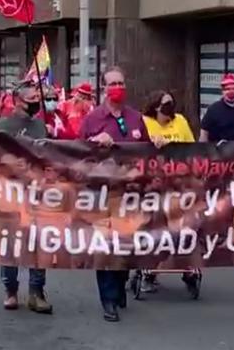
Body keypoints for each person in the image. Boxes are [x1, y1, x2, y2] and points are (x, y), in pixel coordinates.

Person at [79, 66, 150, 323]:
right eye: (113, 83)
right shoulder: (93, 119)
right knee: (106, 247)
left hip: (131, 193)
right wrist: (96, 142)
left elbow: (147, 151)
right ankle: (107, 299)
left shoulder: (136, 118)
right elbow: (79, 156)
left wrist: (161, 146)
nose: (118, 87)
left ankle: (119, 287)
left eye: (121, 82)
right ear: (104, 88)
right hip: (104, 194)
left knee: (126, 246)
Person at [0, 80, 53, 314]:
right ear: (18, 100)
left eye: (38, 97)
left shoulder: (41, 125)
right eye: (32, 98)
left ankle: (37, 292)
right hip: (9, 191)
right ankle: (11, 290)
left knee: (37, 242)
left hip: (36, 192)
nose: (37, 101)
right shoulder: (2, 125)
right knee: (10, 242)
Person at [140, 90, 198, 295]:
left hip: (179, 183)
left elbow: (192, 149)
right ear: (156, 107)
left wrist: (172, 146)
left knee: (183, 226)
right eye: (165, 105)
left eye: (171, 104)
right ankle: (150, 271)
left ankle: (188, 269)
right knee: (155, 226)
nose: (169, 109)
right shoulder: (145, 122)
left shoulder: (180, 121)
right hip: (154, 184)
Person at [200, 73, 234, 142]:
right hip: (218, 151)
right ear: (222, 92)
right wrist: (203, 150)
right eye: (227, 89)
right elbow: (204, 133)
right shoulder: (213, 110)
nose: (231, 92)